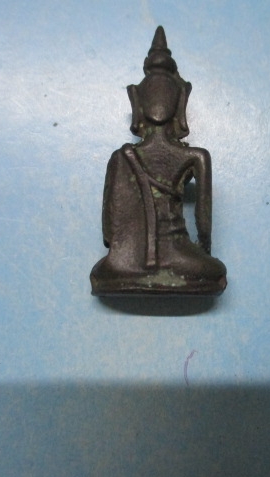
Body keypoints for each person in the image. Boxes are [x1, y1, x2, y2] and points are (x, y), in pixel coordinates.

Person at [90, 27, 227, 295]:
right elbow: (204, 226)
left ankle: (128, 275)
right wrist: (202, 253)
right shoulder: (196, 156)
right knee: (213, 270)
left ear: (136, 102)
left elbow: (109, 230)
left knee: (104, 270)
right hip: (179, 256)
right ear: (182, 102)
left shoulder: (121, 157)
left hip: (125, 264)